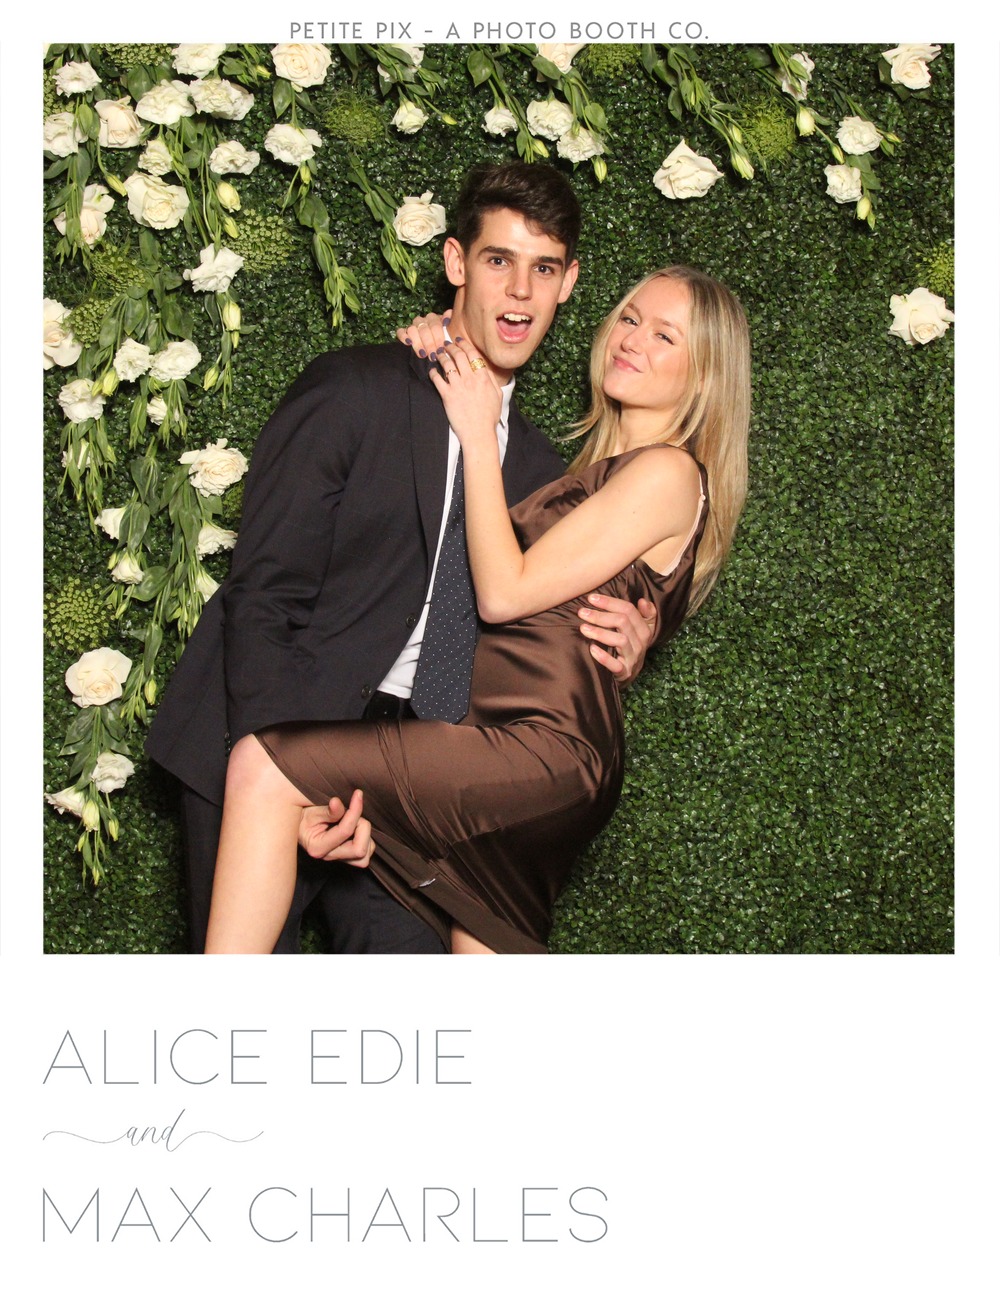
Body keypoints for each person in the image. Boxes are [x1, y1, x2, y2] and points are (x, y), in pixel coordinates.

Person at [145, 162, 656, 954]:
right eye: (498, 260)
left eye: (544, 267)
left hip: (410, 771)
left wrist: (630, 636)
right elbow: (265, 595)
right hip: (265, 729)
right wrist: (283, 777)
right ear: (456, 262)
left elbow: (533, 625)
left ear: (568, 283)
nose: (520, 292)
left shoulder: (541, 475)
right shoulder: (353, 389)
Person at [203, 262, 751, 954]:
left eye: (666, 336)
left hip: (537, 749)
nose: (633, 340)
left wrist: (476, 427)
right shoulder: (586, 472)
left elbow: (503, 593)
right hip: (507, 740)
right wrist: (445, 343)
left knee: (263, 767)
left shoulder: (668, 470)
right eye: (631, 319)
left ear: (705, 375)